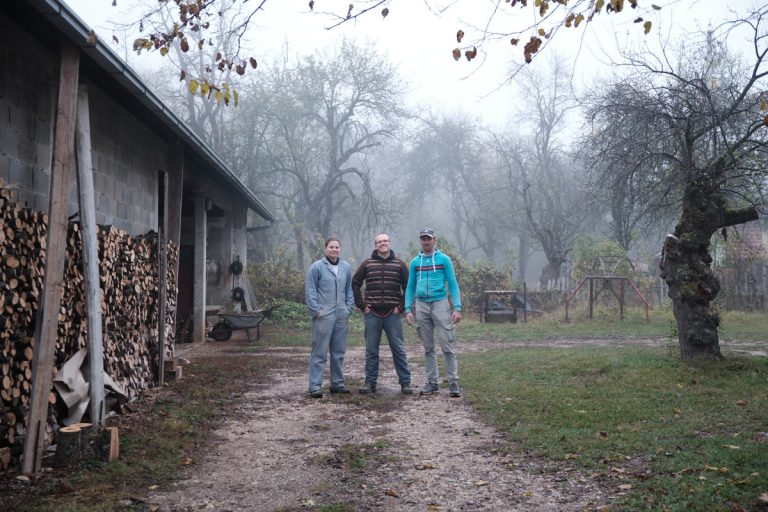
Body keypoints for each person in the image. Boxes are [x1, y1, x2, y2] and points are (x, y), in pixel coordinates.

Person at [404, 228, 463, 397]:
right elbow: (410, 287)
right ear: (420, 241)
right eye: (423, 238)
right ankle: (432, 382)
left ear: (434, 240)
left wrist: (457, 308)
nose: (426, 241)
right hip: (421, 305)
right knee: (428, 348)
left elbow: (452, 284)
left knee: (447, 345)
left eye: (428, 238)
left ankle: (453, 382)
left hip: (440, 303)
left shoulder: (444, 260)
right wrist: (408, 309)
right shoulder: (416, 262)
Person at [352, 234, 413, 395]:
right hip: (372, 314)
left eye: (385, 241)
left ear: (390, 243)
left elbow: (409, 287)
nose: (382, 244)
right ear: (375, 245)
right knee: (371, 350)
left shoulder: (400, 264)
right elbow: (355, 283)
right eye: (379, 242)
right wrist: (361, 305)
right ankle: (370, 383)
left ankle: (405, 383)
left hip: (393, 315)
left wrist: (401, 307)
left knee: (398, 349)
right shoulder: (367, 264)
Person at [305, 237, 355, 398]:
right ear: (326, 248)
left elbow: (349, 290)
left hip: (341, 314)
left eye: (337, 247)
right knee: (319, 351)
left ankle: (337, 384)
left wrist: (348, 308)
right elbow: (311, 290)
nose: (334, 250)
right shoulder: (317, 267)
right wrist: (316, 311)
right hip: (323, 315)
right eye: (331, 247)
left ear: (340, 249)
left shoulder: (345, 267)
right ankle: (314, 386)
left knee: (338, 351)